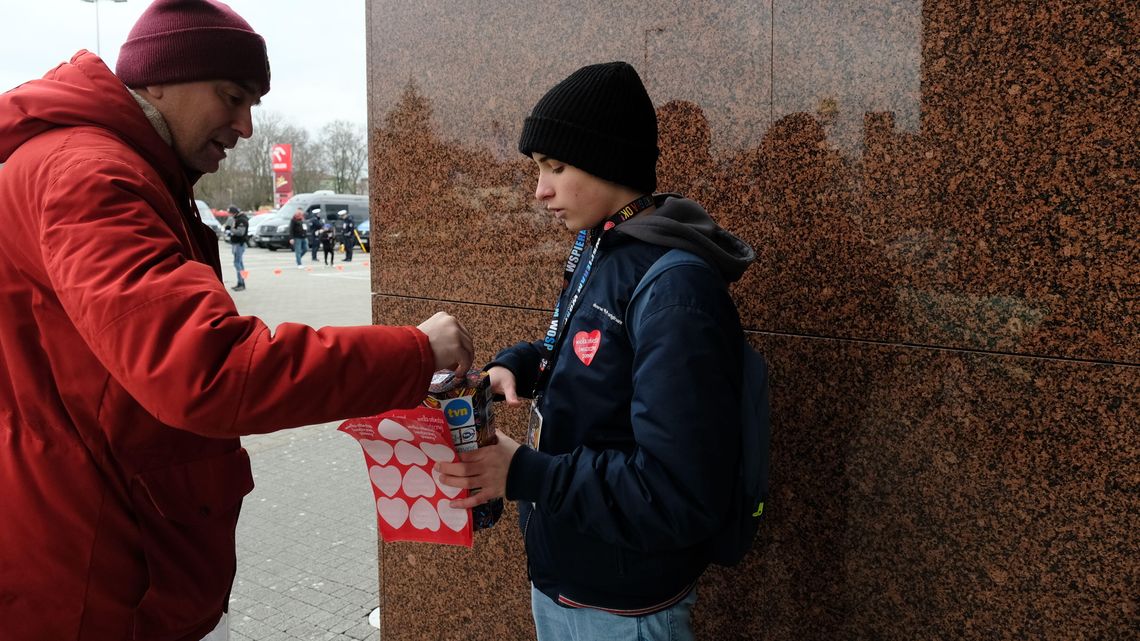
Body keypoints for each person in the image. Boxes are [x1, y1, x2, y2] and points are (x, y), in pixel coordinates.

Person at [0, 2, 474, 640]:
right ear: (158, 78)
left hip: (107, 547)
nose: (247, 125)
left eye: (254, 102)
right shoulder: (90, 176)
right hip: (100, 574)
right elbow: (206, 369)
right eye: (232, 96)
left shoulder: (112, 168)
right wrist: (417, 351)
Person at [436, 62, 754, 641]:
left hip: (624, 607)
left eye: (557, 167)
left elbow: (678, 491)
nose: (540, 190)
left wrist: (526, 473)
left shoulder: (675, 290)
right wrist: (521, 362)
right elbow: (586, 352)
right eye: (538, 169)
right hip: (569, 573)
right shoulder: (602, 244)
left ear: (609, 160)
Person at [228, 205, 249, 290]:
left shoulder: (242, 220)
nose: (230, 215)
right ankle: (241, 282)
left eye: (230, 213)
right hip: (237, 244)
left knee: (237, 263)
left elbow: (241, 232)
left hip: (239, 244)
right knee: (240, 263)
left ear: (234, 213)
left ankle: (241, 283)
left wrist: (231, 229)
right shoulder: (238, 219)